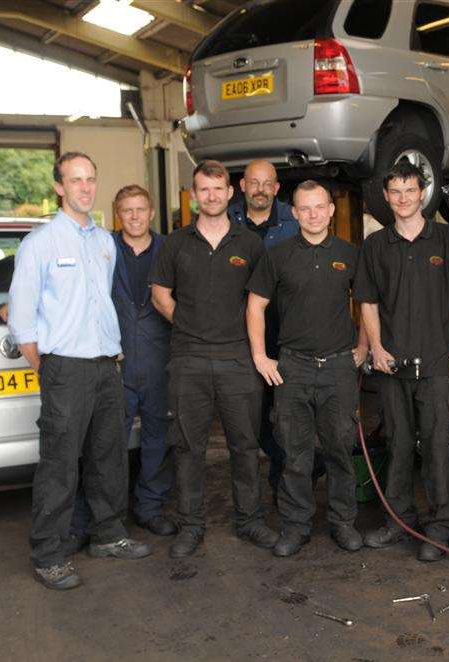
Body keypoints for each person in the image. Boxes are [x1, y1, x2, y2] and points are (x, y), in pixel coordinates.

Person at [9, 152, 152, 590]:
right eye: (76, 180)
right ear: (59, 187)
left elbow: (100, 303)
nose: (85, 188)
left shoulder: (103, 243)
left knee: (109, 456)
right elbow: (21, 317)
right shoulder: (41, 243)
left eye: (91, 179)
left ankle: (108, 534)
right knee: (59, 465)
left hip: (107, 365)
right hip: (66, 369)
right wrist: (50, 366)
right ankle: (49, 554)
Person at [353, 160, 449, 562]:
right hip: (393, 367)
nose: (404, 198)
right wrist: (375, 346)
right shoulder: (376, 245)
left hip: (438, 365)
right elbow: (367, 302)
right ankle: (398, 519)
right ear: (387, 197)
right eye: (396, 192)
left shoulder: (447, 239)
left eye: (411, 190)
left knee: (437, 450)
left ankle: (440, 527)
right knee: (399, 444)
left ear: (422, 193)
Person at [150, 159, 277, 558]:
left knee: (244, 444)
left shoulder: (250, 245)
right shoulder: (175, 243)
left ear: (230, 193)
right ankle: (190, 526)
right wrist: (186, 324)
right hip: (188, 358)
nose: (211, 196)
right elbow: (159, 295)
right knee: (189, 446)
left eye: (218, 189)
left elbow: (261, 301)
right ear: (193, 195)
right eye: (203, 189)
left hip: (237, 359)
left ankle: (250, 520)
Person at [246, 180, 369, 557]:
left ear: (331, 210)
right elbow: (255, 306)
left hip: (337, 367)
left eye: (320, 207)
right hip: (293, 368)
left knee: (339, 450)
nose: (313, 214)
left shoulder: (350, 254)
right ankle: (295, 526)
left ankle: (342, 523)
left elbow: (367, 304)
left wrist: (363, 345)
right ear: (294, 213)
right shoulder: (277, 255)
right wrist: (260, 357)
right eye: (305, 208)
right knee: (294, 454)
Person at [228, 159, 299, 499]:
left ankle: (283, 483)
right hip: (240, 337)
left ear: (276, 187)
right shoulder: (226, 221)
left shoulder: (294, 220)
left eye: (266, 182)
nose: (260, 189)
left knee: (286, 414)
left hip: (286, 335)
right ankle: (286, 468)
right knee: (250, 418)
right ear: (242, 186)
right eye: (253, 182)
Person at [110, 185, 176, 535]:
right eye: (126, 210)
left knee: (158, 438)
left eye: (140, 209)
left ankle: (150, 508)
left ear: (151, 213)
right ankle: (110, 513)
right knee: (109, 442)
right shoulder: (104, 248)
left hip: (158, 360)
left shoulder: (171, 249)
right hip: (115, 362)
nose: (134, 216)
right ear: (117, 215)